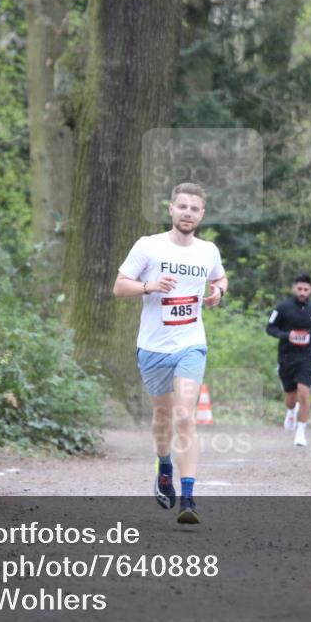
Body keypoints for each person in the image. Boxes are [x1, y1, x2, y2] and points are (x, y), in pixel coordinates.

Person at [113, 182, 227, 524]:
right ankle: (164, 465)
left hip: (191, 345)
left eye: (194, 208)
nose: (187, 213)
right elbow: (119, 286)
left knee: (184, 416)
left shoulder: (208, 251)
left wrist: (217, 293)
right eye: (182, 207)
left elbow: (220, 279)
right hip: (152, 348)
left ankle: (188, 497)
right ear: (171, 209)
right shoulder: (149, 247)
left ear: (201, 214)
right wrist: (150, 285)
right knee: (163, 418)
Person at [266, 274, 311, 447]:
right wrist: (287, 335)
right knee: (291, 397)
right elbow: (270, 328)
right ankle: (291, 411)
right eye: (299, 289)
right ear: (294, 288)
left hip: (307, 356)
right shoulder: (282, 308)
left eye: (306, 289)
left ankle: (301, 432)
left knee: (304, 391)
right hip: (286, 356)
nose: (302, 292)